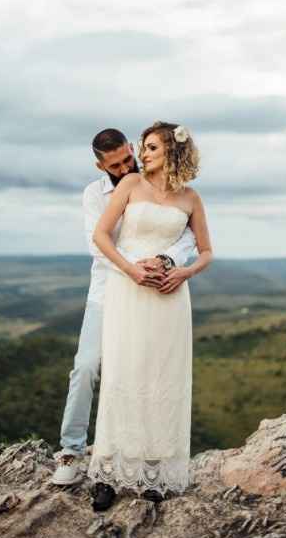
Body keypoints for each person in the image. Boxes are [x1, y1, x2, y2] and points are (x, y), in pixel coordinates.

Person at [52, 128, 197, 487]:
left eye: (126, 159)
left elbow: (187, 233)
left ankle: (139, 459)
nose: (122, 168)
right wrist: (135, 266)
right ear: (99, 164)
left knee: (141, 374)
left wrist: (165, 259)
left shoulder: (156, 184)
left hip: (149, 294)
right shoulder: (94, 194)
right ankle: (71, 451)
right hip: (107, 291)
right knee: (86, 367)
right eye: (113, 164)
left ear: (131, 149)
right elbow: (95, 243)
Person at [87, 121, 213, 511]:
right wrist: (131, 270)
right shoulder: (128, 186)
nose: (144, 155)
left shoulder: (191, 198)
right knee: (123, 375)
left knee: (163, 379)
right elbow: (101, 236)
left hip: (171, 297)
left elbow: (206, 251)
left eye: (153, 148)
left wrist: (183, 272)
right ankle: (109, 473)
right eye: (144, 147)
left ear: (173, 152)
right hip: (129, 291)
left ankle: (155, 474)